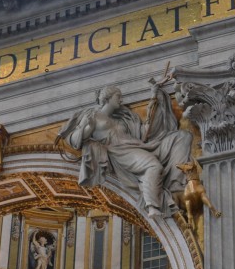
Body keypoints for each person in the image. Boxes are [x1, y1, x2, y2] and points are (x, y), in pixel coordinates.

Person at [57, 73, 193, 217]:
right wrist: (87, 127)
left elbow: (144, 133)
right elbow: (76, 139)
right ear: (107, 98)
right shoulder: (93, 115)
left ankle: (176, 185)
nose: (121, 100)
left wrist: (154, 96)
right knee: (153, 166)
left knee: (183, 136)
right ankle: (152, 205)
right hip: (121, 152)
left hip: (137, 146)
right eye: (118, 96)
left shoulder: (123, 119)